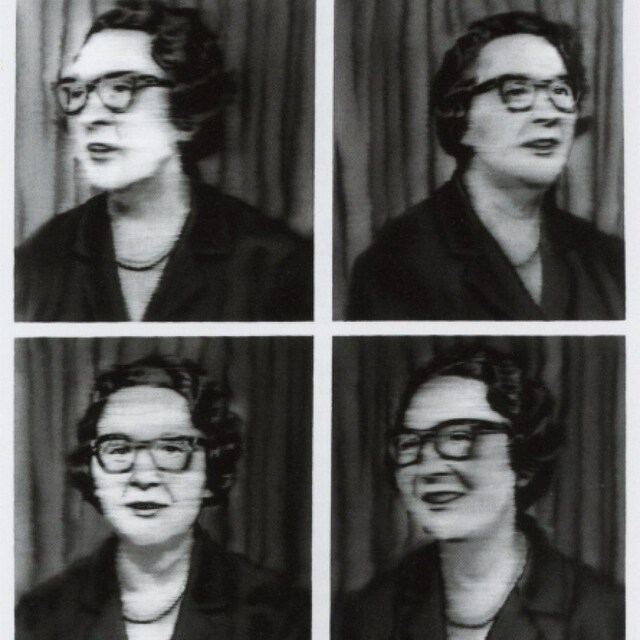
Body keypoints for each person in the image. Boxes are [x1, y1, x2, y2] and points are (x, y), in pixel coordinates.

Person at [16, 0, 312, 322]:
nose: (89, 116)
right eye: (77, 91)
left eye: (121, 88)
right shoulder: (38, 259)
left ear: (185, 111)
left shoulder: (273, 262)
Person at [347, 12, 623, 320]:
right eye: (517, 90)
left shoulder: (608, 260)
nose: (549, 114)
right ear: (461, 117)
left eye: (560, 91)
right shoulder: (397, 263)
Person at [336, 348, 624, 640]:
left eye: (459, 437)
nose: (428, 467)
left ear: (522, 460)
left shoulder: (603, 615)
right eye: (410, 443)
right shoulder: (372, 613)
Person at [16, 355, 309, 640]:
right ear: (92, 472)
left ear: (211, 470)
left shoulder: (279, 612)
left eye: (172, 449)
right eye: (118, 449)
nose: (144, 477)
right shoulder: (41, 615)